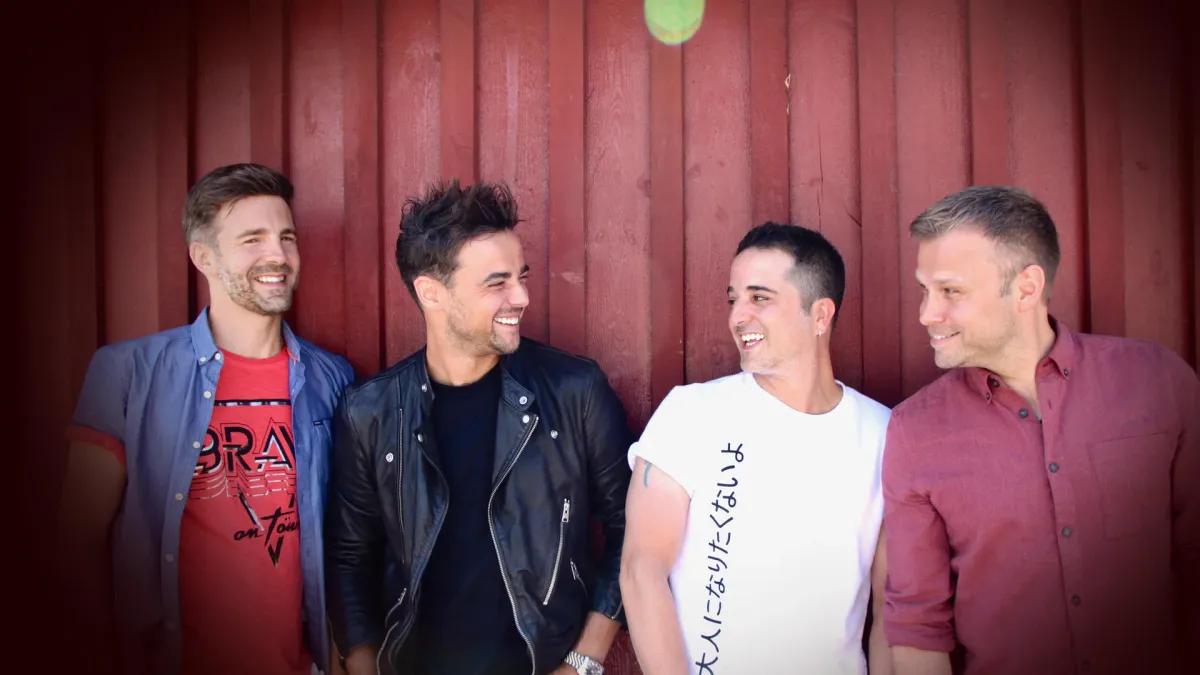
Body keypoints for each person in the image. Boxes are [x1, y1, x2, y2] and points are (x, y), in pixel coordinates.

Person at [882, 185, 1199, 675]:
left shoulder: (1157, 382)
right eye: (925, 290)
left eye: (951, 291)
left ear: (1026, 288)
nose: (927, 313)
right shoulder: (914, 430)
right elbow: (918, 625)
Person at [57, 163, 356, 675]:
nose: (278, 256)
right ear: (203, 257)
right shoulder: (128, 374)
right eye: (252, 239)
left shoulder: (333, 379)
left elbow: (346, 541)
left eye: (286, 237)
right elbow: (77, 539)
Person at [325, 180, 633, 675]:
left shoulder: (575, 392)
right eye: (497, 283)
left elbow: (631, 530)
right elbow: (348, 558)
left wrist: (581, 663)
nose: (522, 296)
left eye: (521, 276)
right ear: (431, 293)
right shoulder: (371, 411)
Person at [620, 222, 894, 675]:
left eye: (759, 298)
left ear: (820, 315)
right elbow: (641, 569)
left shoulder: (883, 434)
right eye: (734, 299)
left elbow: (891, 611)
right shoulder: (691, 414)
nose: (737, 316)